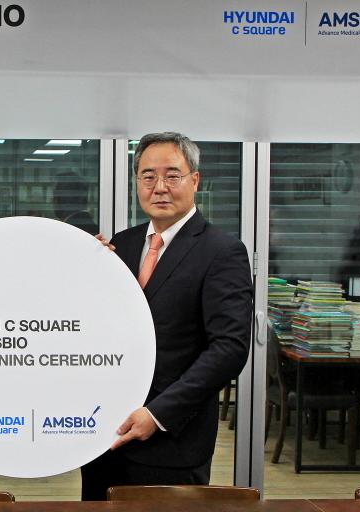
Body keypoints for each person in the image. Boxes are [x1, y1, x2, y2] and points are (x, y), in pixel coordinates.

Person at [82, 132, 253, 500]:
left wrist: (157, 414)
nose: (159, 187)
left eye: (172, 175)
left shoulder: (222, 251)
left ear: (195, 180)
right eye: (148, 176)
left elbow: (229, 349)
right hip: (104, 438)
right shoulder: (122, 245)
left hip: (171, 443)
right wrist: (86, 269)